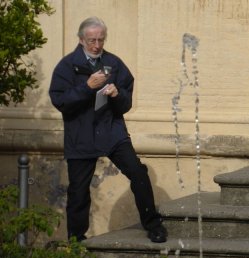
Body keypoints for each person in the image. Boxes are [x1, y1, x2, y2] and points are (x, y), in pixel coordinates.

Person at [49, 17, 167, 243]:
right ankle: (76, 241)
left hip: (111, 130)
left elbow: (126, 103)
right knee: (79, 191)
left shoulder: (113, 63)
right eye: (91, 40)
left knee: (138, 173)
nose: (96, 45)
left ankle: (153, 225)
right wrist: (87, 87)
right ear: (81, 40)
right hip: (81, 133)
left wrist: (117, 94)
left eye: (100, 40)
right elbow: (61, 102)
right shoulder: (67, 66)